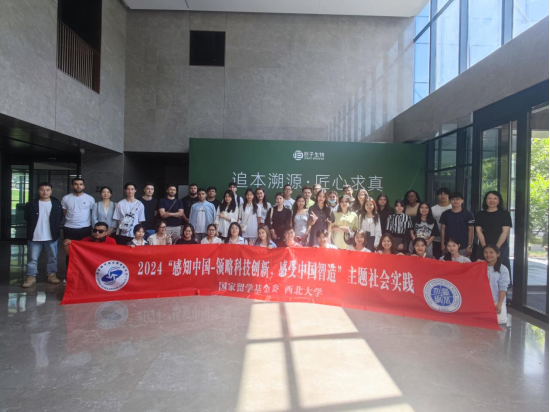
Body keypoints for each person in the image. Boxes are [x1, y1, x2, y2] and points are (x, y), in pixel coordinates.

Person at [22, 182, 64, 288]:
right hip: (35, 235)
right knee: (32, 258)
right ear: (38, 191)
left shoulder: (56, 203)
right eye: (42, 189)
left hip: (51, 235)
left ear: (51, 191)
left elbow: (59, 218)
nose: (45, 192)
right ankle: (31, 277)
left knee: (52, 257)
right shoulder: (32, 203)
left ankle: (51, 275)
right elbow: (26, 217)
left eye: (47, 190)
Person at [475, 191, 513, 271]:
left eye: (495, 198)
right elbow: (478, 231)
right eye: (489, 198)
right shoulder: (480, 214)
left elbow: (505, 232)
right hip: (483, 246)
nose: (492, 200)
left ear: (499, 201)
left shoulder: (505, 214)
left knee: (502, 270)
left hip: (501, 247)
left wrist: (496, 248)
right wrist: (485, 248)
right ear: (485, 200)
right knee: (483, 271)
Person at [62, 178, 95, 259]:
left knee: (85, 252)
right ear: (72, 186)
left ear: (84, 186)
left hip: (85, 228)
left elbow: (92, 213)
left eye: (80, 184)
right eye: (76, 184)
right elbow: (64, 212)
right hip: (69, 228)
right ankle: (70, 267)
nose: (78, 186)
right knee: (70, 252)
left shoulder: (90, 198)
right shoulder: (66, 198)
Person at [440, 192, 475, 257]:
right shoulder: (445, 214)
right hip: (448, 246)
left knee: (463, 263)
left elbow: (471, 231)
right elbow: (442, 229)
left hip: (464, 246)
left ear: (462, 200)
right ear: (450, 201)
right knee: (447, 263)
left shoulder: (468, 214)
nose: (455, 201)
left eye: (458, 199)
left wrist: (470, 246)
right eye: (453, 199)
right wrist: (442, 244)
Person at [484, 245, 510, 325]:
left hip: (496, 300)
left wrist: (500, 303)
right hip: (483, 300)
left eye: (491, 252)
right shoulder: (480, 266)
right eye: (486, 252)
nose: (488, 255)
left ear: (497, 254)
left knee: (500, 320)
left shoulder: (503, 269)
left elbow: (503, 287)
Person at [431, 188, 452, 260]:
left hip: (450, 239)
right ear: (437, 196)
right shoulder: (432, 209)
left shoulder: (453, 207)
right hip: (436, 239)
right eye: (440, 194)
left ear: (449, 195)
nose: (442, 196)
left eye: (445, 194)